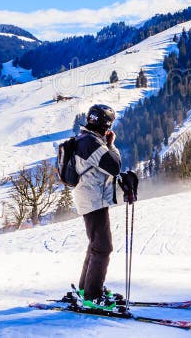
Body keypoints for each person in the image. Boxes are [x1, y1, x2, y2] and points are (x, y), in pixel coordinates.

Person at [69, 103, 138, 311]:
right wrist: (111, 144)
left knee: (95, 246)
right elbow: (114, 165)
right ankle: (92, 295)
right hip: (93, 200)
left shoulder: (85, 139)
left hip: (90, 197)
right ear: (106, 123)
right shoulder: (91, 143)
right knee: (103, 247)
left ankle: (85, 289)